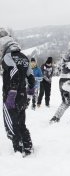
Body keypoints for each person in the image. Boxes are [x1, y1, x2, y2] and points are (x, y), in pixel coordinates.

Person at [0, 28, 35, 157]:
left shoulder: (7, 57)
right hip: (22, 96)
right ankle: (28, 145)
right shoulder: (24, 57)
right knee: (21, 122)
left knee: (11, 126)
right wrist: (30, 94)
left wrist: (11, 93)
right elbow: (31, 78)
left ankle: (19, 151)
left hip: (11, 96)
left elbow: (13, 73)